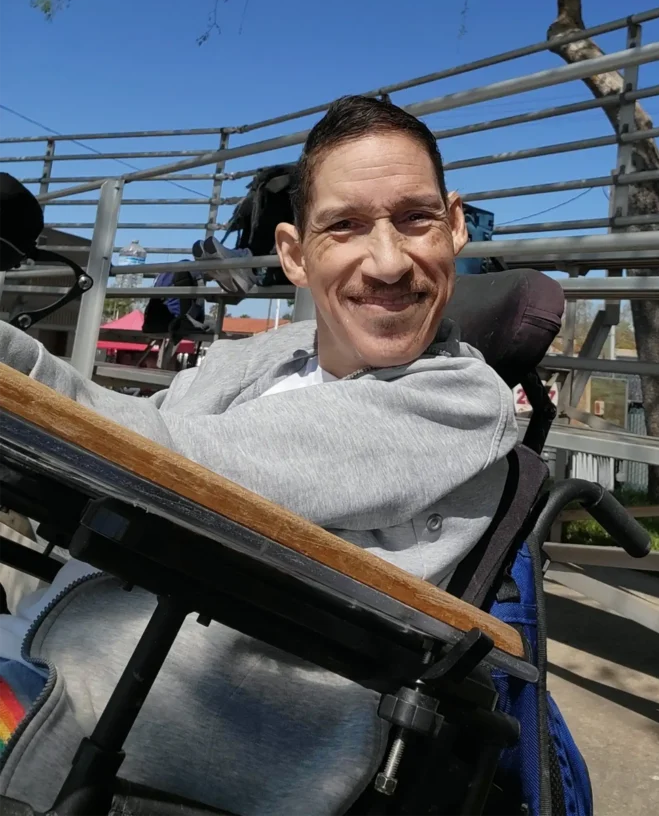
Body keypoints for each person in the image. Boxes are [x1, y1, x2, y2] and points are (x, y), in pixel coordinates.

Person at [0, 96, 517, 815]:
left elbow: (169, 457)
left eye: (414, 218)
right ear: (294, 254)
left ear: (455, 225)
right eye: (345, 226)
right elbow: (143, 426)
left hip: (136, 724)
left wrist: (18, 373)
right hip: (69, 650)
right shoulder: (262, 357)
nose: (390, 261)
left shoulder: (457, 402)